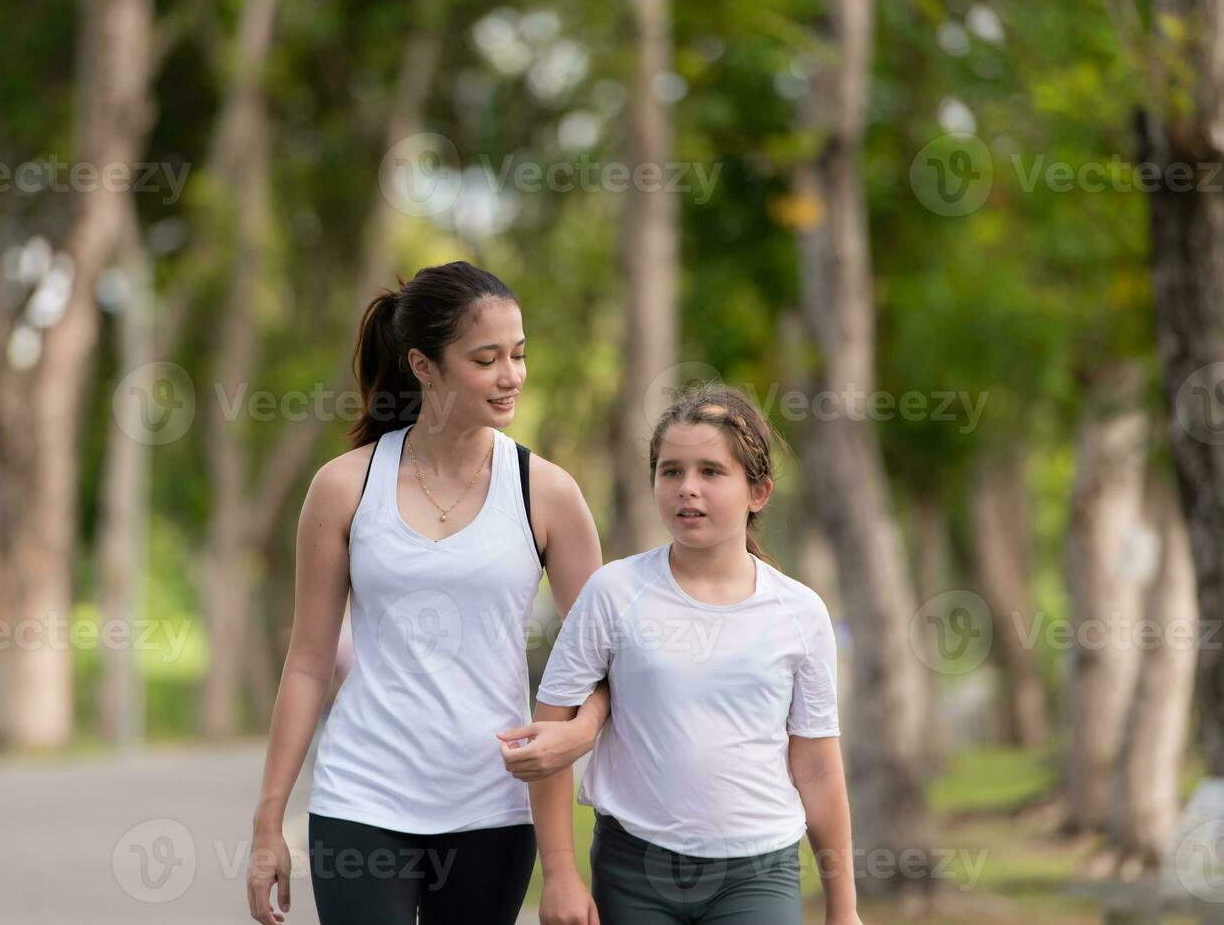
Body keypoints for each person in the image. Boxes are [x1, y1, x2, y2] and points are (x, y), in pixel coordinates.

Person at [247, 260, 610, 925]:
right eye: (486, 358)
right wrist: (268, 819)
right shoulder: (344, 486)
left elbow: (604, 655)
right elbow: (307, 662)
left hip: (493, 803)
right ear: (422, 365)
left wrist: (579, 734)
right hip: (361, 796)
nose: (512, 376)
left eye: (519, 355)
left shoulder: (546, 492)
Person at [515, 382, 862, 925]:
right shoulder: (612, 593)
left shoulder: (801, 612)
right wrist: (560, 873)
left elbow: (817, 770)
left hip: (758, 876)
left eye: (711, 472)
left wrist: (844, 910)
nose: (687, 489)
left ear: (759, 492)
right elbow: (549, 738)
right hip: (633, 871)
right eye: (671, 471)